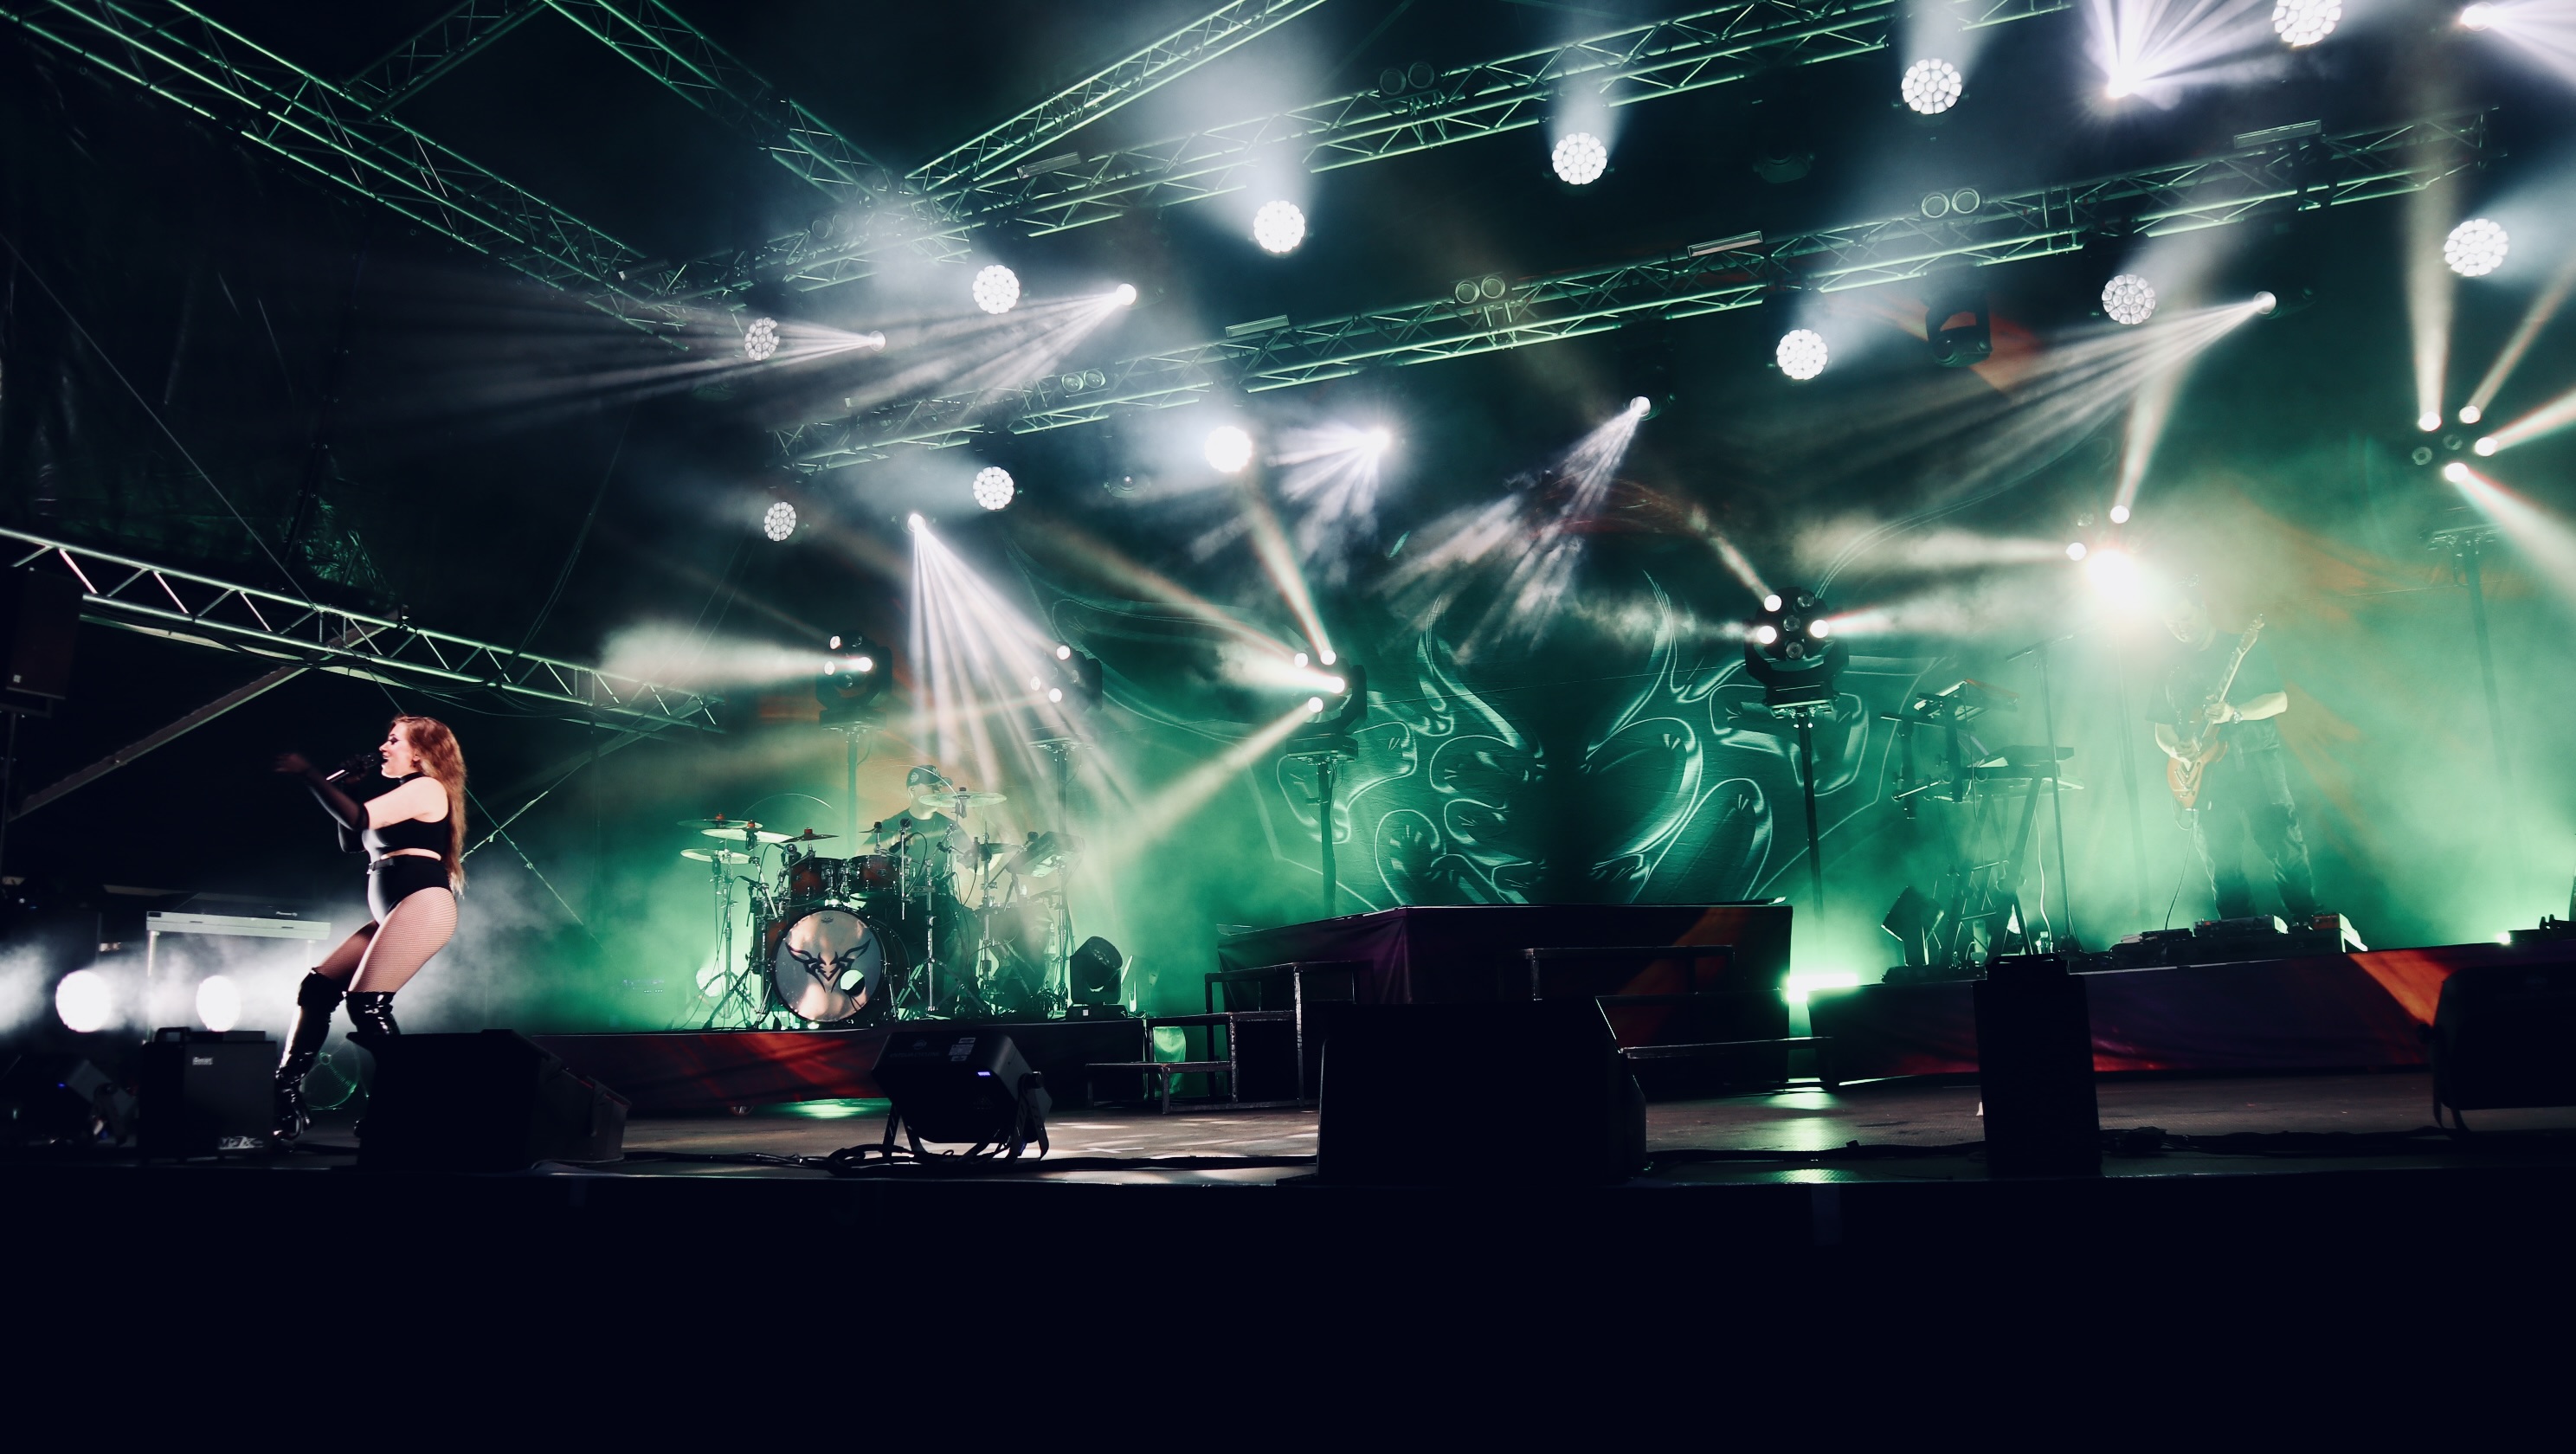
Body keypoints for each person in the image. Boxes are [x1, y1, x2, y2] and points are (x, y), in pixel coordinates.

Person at [269, 716, 466, 1141]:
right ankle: (284, 1092)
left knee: (366, 1004)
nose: (383, 747)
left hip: (423, 904)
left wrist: (310, 774)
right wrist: (349, 788)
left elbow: (358, 819)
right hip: (394, 910)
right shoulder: (402, 794)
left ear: (419, 753)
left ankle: (401, 1106)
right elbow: (350, 839)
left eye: (393, 740)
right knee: (317, 989)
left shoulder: (427, 788)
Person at [2149, 589, 2318, 923]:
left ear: (2203, 608)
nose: (2180, 627)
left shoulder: (2242, 648)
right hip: (2206, 777)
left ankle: (2307, 925)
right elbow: (2161, 727)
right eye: (2172, 624)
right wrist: (2176, 749)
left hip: (2256, 761)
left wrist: (2235, 713)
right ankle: (2237, 934)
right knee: (2220, 859)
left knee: (2284, 847)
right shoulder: (2170, 667)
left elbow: (2279, 701)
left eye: (2186, 618)